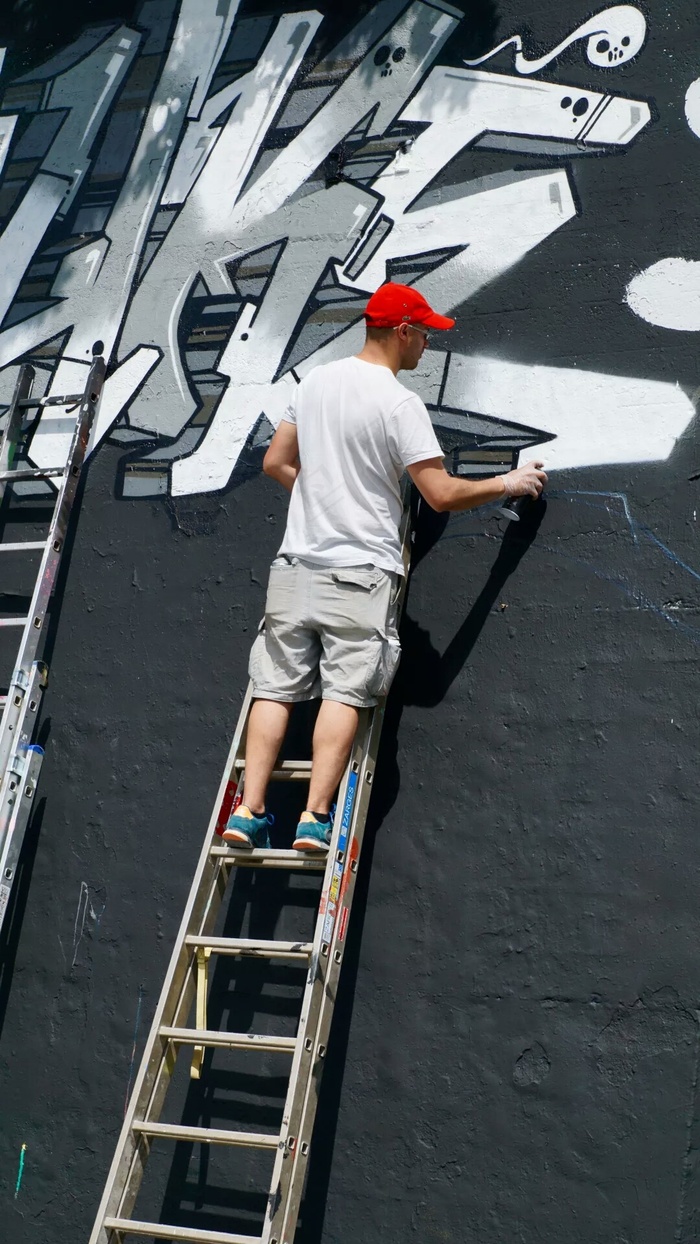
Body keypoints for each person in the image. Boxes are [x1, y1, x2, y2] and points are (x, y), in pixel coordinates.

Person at [224, 282, 547, 853]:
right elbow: (440, 494)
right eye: (424, 333)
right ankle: (313, 818)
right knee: (345, 693)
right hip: (360, 573)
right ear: (401, 332)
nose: (427, 344)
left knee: (273, 689)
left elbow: (277, 462)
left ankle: (249, 812)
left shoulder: (314, 382)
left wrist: (320, 496)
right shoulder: (400, 404)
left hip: (295, 566)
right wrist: (508, 483)